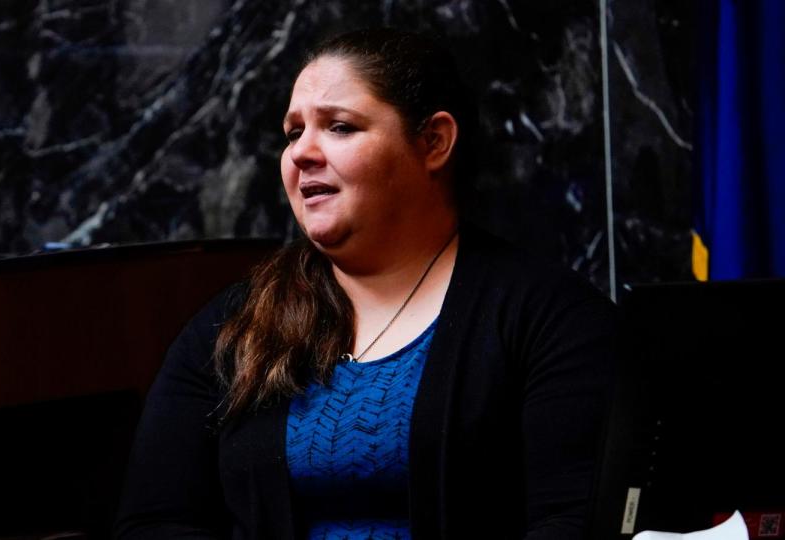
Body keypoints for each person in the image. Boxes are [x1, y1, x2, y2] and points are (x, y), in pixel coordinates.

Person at [114, 28, 616, 540]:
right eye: (292, 133)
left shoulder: (552, 317)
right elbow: (155, 524)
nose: (301, 153)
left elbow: (575, 522)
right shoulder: (232, 327)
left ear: (434, 142)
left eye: (339, 127)